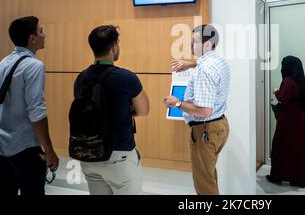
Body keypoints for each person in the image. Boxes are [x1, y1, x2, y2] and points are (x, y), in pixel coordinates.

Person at [74, 25, 149, 195]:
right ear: (114, 46)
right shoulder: (126, 77)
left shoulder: (81, 78)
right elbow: (143, 109)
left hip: (89, 154)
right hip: (119, 156)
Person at [164, 24, 230, 195]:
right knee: (208, 176)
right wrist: (191, 64)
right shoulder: (219, 61)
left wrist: (177, 103)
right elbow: (203, 63)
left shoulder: (204, 70)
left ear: (208, 44)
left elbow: (204, 111)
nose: (191, 45)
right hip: (219, 126)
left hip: (205, 130)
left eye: (195, 42)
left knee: (204, 185)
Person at [0, 16, 59, 196]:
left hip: (3, 146)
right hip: (25, 147)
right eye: (41, 31)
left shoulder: (3, 63)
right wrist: (49, 150)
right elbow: (37, 111)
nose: (45, 35)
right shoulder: (34, 66)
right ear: (32, 38)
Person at [266, 56, 305, 188]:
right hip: (301, 119)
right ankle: (298, 179)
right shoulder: (300, 81)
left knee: (281, 146)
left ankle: (278, 176)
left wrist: (276, 92)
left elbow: (283, 99)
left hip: (288, 119)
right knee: (298, 149)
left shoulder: (287, 81)